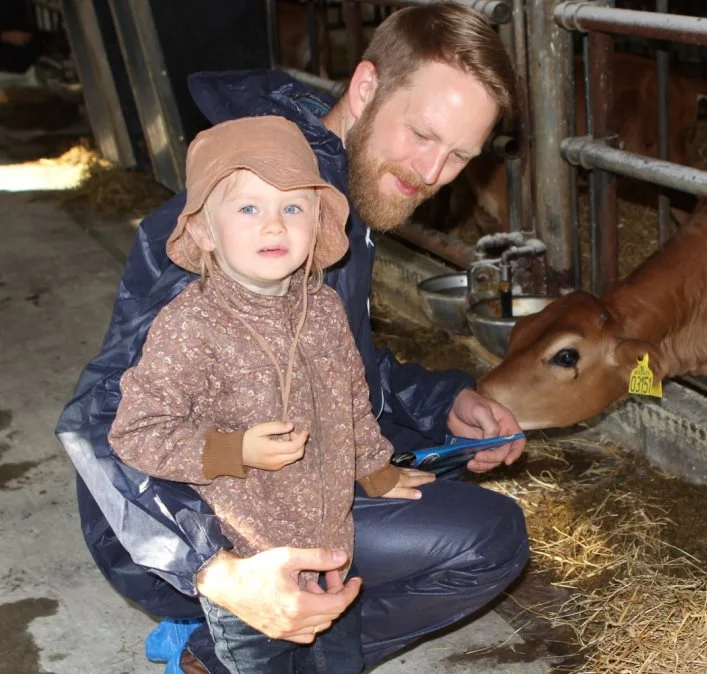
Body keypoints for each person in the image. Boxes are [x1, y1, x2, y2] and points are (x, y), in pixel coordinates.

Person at [55, 4, 530, 672]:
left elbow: (335, 366)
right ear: (365, 89)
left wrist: (442, 405)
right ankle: (230, 643)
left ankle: (274, 639)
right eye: (423, 134)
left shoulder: (341, 195)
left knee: (436, 461)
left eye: (459, 155)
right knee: (493, 539)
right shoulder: (248, 213)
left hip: (278, 466)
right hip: (190, 519)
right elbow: (98, 424)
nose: (433, 171)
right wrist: (215, 572)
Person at [109, 115, 439, 673]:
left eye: (292, 208)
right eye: (248, 208)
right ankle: (196, 649)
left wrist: (375, 468)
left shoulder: (325, 311)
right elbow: (134, 432)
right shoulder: (191, 327)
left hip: (331, 547)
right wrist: (231, 450)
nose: (273, 226)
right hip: (249, 563)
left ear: (317, 223)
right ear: (205, 233)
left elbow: (352, 401)